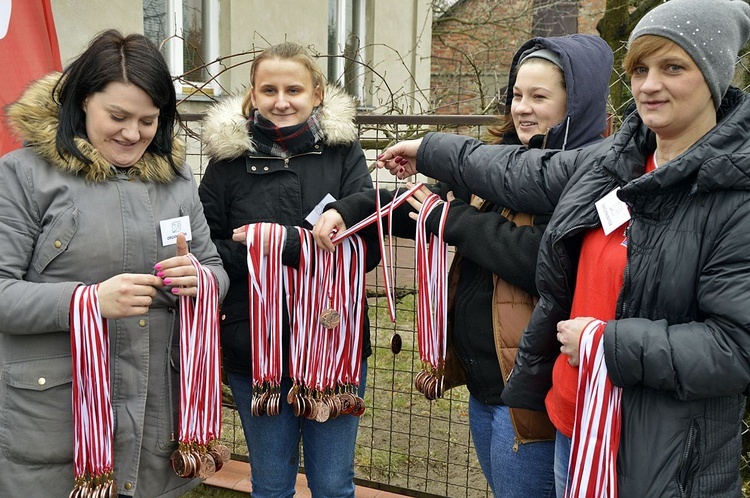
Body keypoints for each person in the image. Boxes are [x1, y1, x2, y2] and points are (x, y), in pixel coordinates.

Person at [374, 0, 750, 496]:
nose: (649, 85)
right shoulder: (614, 161)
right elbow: (516, 170)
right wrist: (429, 148)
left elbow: (735, 349)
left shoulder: (734, 196)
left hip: (654, 452)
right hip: (569, 419)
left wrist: (606, 344)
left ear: (714, 76)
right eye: (640, 68)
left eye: (673, 67)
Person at [313, 34, 613, 497]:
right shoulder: (497, 166)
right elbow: (422, 208)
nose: (522, 108)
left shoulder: (591, 176)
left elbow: (538, 259)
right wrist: (352, 209)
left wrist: (453, 221)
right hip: (485, 386)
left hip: (530, 399)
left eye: (540, 96)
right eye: (516, 94)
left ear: (578, 103)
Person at [0, 29, 229, 498]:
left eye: (148, 120)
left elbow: (214, 269)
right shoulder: (22, 174)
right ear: (82, 101)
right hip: (55, 414)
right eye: (118, 116)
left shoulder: (178, 179)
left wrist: (201, 280)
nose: (132, 133)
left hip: (155, 413)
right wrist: (88, 301)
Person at [198, 42, 377, 497]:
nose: (281, 101)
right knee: (272, 482)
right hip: (256, 346)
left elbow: (369, 247)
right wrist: (275, 248)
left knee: (334, 483)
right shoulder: (225, 165)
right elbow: (209, 249)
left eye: (294, 89)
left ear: (316, 93)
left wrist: (284, 243)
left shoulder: (344, 154)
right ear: (252, 96)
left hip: (333, 342)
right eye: (269, 89)